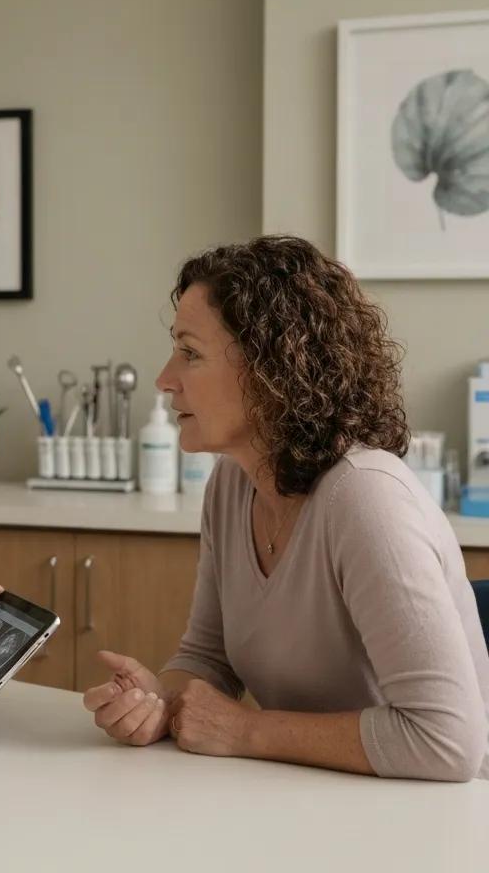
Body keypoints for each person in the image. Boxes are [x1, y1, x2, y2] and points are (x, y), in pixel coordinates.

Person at [84, 235, 489, 781]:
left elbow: (446, 741)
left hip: (439, 813)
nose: (164, 379)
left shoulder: (366, 499)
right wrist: (158, 701)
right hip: (317, 799)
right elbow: (207, 658)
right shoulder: (232, 483)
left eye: (190, 353)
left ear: (271, 371)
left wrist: (245, 731)